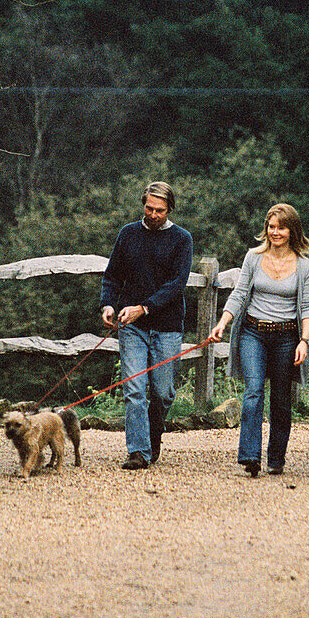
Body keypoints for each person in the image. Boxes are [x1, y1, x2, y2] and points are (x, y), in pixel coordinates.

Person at [209, 203, 309, 477]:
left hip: (286, 337)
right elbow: (239, 294)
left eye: (281, 227)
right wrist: (222, 323)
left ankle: (276, 458)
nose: (275, 232)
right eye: (271, 227)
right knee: (254, 390)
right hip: (253, 332)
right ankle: (250, 456)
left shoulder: (304, 266)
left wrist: (304, 341)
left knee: (281, 397)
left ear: (292, 231)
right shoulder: (253, 258)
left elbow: (308, 306)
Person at [100, 181, 193, 470]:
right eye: (149, 208)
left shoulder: (181, 239)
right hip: (131, 326)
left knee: (163, 392)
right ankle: (138, 451)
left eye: (160, 210)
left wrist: (145, 307)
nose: (153, 215)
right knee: (135, 388)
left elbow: (176, 285)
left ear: (170, 209)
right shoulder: (128, 234)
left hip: (166, 325)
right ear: (143, 205)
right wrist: (108, 304)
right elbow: (112, 275)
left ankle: (153, 435)